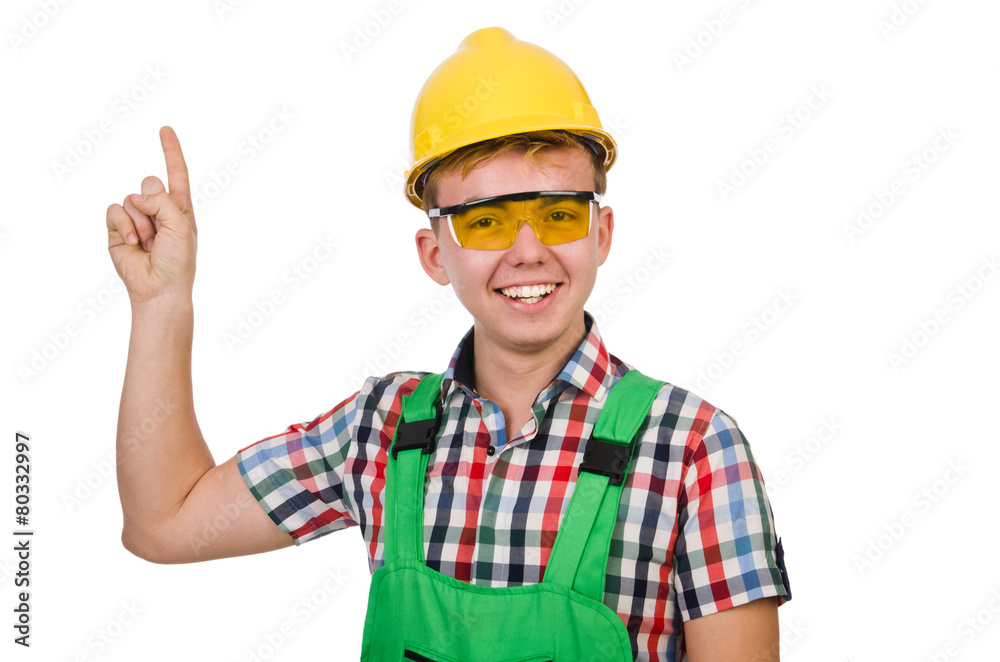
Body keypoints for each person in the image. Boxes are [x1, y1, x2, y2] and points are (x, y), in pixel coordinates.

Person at [106, 27, 791, 661]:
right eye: (487, 221)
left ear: (602, 234)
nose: (529, 251)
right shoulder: (382, 428)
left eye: (557, 215)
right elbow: (164, 522)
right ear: (435, 254)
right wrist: (161, 304)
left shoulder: (695, 451)